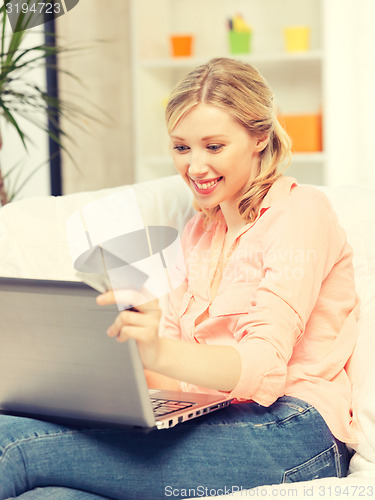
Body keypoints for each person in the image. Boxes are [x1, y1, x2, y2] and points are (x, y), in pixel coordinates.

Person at [0, 57, 359, 499]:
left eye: (213, 146)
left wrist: (157, 350)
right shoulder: (199, 232)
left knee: (12, 445)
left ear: (260, 136)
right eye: (182, 147)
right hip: (211, 418)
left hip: (293, 431)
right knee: (50, 494)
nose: (195, 167)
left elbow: (263, 366)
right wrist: (95, 373)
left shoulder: (301, 212)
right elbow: (176, 377)